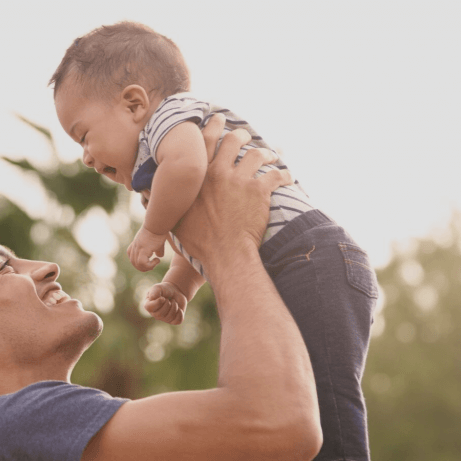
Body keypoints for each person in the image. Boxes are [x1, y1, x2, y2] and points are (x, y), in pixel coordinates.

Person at [50, 22, 378, 460]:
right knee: (292, 390)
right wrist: (179, 284)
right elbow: (201, 235)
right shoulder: (158, 175)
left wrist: (152, 229)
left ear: (134, 103)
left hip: (308, 255)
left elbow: (189, 168)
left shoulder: (169, 118)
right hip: (288, 263)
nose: (86, 156)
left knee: (324, 395)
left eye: (83, 135)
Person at [0, 121, 322, 461]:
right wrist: (228, 243)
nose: (47, 267)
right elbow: (276, 423)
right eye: (3, 267)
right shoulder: (20, 419)